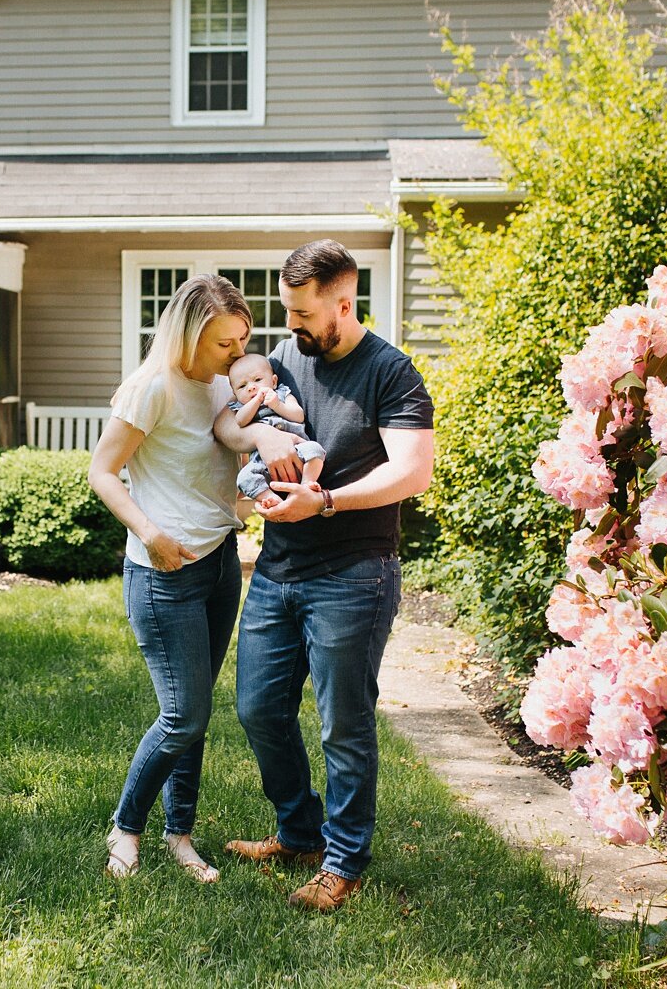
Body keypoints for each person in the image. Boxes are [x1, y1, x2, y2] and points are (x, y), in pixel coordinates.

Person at [214, 239, 435, 911]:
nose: (292, 327)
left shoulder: (391, 373)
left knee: (343, 723)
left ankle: (342, 861)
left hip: (354, 574)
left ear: (345, 303)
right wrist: (261, 438)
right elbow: (228, 423)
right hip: (279, 570)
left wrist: (328, 499)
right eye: (287, 311)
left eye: (304, 314)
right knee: (257, 708)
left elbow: (412, 472)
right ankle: (299, 833)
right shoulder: (284, 359)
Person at [87, 273, 252, 883]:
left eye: (241, 342)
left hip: (218, 567)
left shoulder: (219, 388)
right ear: (188, 335)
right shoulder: (150, 388)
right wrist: (150, 532)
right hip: (164, 573)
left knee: (197, 711)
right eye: (224, 344)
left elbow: (219, 470)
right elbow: (103, 473)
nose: (236, 356)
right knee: (182, 715)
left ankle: (179, 835)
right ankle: (125, 828)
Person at [225, 352, 325, 508]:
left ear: (274, 381)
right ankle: (270, 498)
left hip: (297, 449)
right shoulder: (242, 407)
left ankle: (305, 485)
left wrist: (278, 405)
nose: (251, 387)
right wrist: (257, 401)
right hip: (262, 462)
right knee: (244, 478)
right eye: (242, 386)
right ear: (235, 394)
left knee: (315, 450)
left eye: (257, 380)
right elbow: (240, 421)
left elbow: (298, 416)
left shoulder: (282, 394)